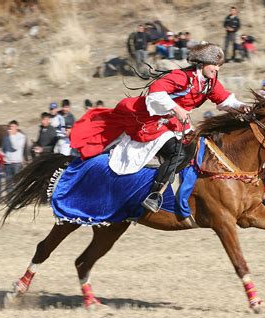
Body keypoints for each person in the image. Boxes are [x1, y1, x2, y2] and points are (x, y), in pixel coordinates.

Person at [71, 44, 250, 212]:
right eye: (214, 65)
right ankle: (154, 195)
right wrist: (176, 108)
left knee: (200, 151)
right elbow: (155, 91)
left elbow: (225, 100)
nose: (217, 69)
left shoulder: (210, 82)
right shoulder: (182, 77)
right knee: (180, 153)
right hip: (153, 120)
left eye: (219, 66)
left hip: (177, 122)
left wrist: (242, 106)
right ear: (202, 64)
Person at [2, 120, 26, 187]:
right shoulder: (5, 137)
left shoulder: (21, 137)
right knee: (8, 184)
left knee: (18, 183)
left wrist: (11, 136)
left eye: (13, 126)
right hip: (7, 163)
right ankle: (10, 197)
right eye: (10, 126)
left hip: (17, 163)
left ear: (17, 127)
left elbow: (16, 147)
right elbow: (4, 148)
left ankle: (19, 197)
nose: (11, 128)